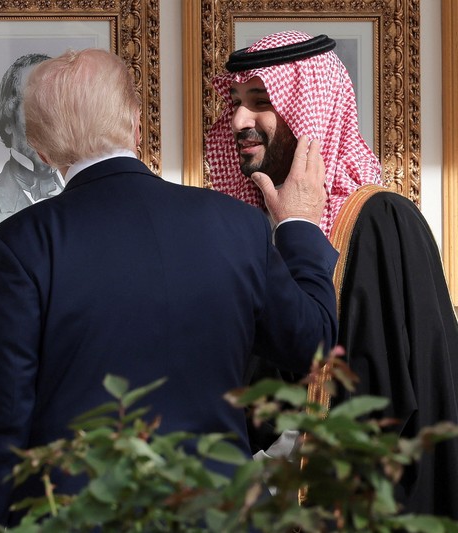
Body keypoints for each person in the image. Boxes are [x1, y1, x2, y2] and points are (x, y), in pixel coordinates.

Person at [0, 47, 338, 529]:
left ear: (43, 149)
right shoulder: (239, 226)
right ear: (136, 123)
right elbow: (315, 349)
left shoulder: (16, 246)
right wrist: (299, 227)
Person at [205, 30, 458, 518]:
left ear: (310, 112)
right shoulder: (246, 230)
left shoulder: (379, 221)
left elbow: (391, 397)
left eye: (260, 101)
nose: (239, 120)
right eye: (235, 102)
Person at [0, 53, 65, 234]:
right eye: (35, 106)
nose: (49, 118)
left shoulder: (84, 197)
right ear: (8, 120)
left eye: (54, 104)